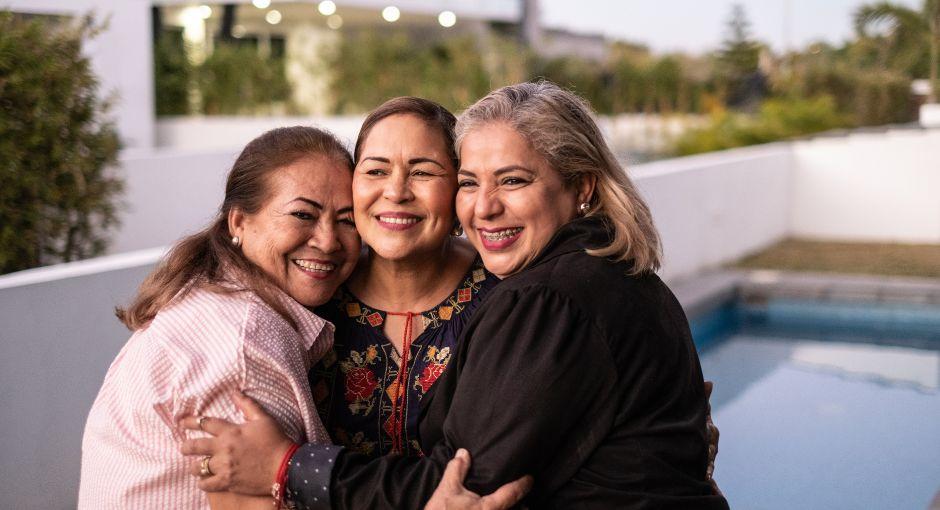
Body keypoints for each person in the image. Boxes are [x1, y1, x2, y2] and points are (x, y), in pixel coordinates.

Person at [182, 82, 728, 509]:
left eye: (512, 181)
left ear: (581, 188)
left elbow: (470, 486)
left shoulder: (534, 299)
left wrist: (287, 467)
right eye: (473, 182)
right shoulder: (309, 292)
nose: (485, 206)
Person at [78, 126, 361, 509]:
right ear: (239, 222)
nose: (328, 240)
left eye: (347, 220)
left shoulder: (214, 298)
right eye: (302, 214)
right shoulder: (244, 346)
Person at [310, 97, 500, 460]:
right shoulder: (314, 290)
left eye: (423, 172)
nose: (396, 192)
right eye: (376, 171)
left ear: (460, 189)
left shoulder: (505, 295)